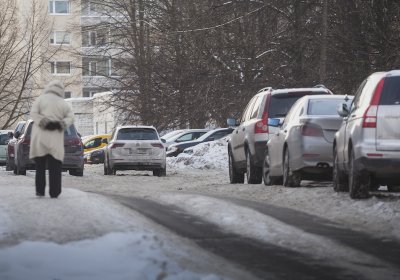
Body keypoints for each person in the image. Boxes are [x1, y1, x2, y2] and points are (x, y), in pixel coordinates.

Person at [29, 80, 74, 198]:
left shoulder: (40, 99)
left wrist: (44, 122)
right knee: (55, 167)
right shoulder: (63, 103)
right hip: (55, 138)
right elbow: (71, 117)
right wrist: (61, 124)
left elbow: (33, 113)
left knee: (40, 167)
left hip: (40, 137)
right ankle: (54, 192)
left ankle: (40, 191)